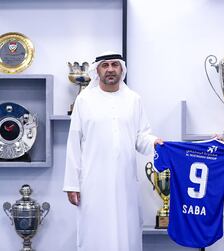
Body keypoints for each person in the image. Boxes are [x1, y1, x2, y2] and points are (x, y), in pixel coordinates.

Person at [63, 51, 162, 251]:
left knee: (126, 231)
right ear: (97, 70)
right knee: (95, 232)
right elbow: (74, 143)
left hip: (124, 182)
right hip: (93, 182)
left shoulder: (133, 99)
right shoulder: (85, 100)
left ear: (121, 69)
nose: (110, 69)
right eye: (105, 65)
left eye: (114, 65)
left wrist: (155, 143)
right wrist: (72, 184)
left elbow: (141, 137)